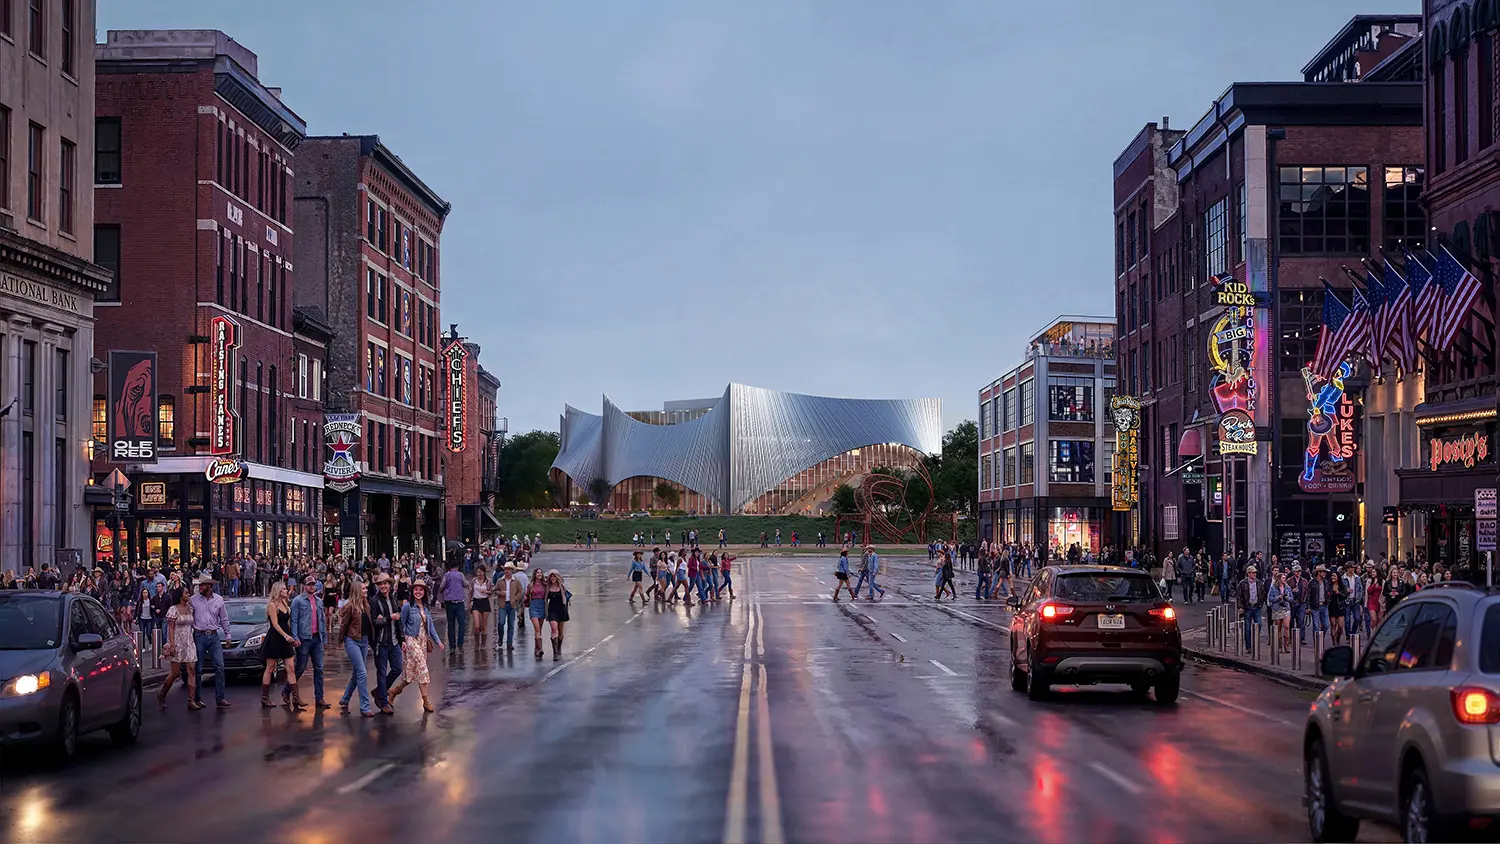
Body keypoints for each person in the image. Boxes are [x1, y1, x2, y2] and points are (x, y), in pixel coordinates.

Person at [389, 580, 443, 713]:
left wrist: (438, 641)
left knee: (412, 673)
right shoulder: (408, 606)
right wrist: (402, 640)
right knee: (423, 669)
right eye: (416, 589)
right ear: (412, 591)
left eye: (421, 590)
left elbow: (430, 627)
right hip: (411, 639)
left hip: (423, 641)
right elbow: (401, 623)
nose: (418, 592)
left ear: (424, 592)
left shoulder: (426, 606)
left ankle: (394, 692)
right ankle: (425, 701)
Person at [189, 574, 232, 709]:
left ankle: (220, 698)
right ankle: (197, 699)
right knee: (198, 668)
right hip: (199, 635)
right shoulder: (193, 600)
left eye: (203, 585)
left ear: (210, 586)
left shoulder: (219, 600)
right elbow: (188, 616)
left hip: (214, 636)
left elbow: (224, 618)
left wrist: (228, 635)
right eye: (199, 585)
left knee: (219, 666)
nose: (200, 587)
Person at [288, 575, 330, 710]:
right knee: (300, 667)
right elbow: (293, 620)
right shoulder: (297, 601)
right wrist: (295, 637)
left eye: (313, 584)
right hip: (304, 638)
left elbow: (322, 620)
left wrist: (324, 638)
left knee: (319, 668)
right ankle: (287, 691)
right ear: (304, 586)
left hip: (317, 638)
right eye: (309, 584)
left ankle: (320, 698)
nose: (312, 586)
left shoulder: (318, 601)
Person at [157, 585, 202, 710]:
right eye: (186, 592)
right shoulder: (173, 609)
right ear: (180, 595)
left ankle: (191, 700)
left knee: (191, 669)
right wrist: (171, 645)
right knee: (175, 673)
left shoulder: (190, 608)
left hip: (189, 641)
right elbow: (170, 628)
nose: (189, 594)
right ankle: (162, 694)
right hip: (177, 641)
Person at [337, 580, 376, 717]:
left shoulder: (366, 605)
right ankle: (365, 706)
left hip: (364, 641)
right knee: (362, 673)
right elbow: (344, 625)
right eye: (364, 588)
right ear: (357, 590)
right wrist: (340, 640)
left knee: (357, 673)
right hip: (352, 640)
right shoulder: (349, 607)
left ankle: (345, 698)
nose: (366, 590)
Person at [259, 582, 297, 708]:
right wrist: (285, 635)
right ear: (278, 591)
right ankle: (265, 697)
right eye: (284, 589)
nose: (287, 590)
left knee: (290, 667)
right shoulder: (272, 605)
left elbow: (287, 623)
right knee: (270, 667)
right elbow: (275, 624)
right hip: (275, 638)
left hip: (285, 639)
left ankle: (296, 697)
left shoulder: (285, 604)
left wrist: (291, 636)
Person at [370, 572, 403, 713]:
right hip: (381, 642)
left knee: (398, 668)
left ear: (389, 585)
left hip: (394, 641)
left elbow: (398, 619)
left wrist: (402, 639)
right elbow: (374, 622)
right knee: (381, 672)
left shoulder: (393, 599)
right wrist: (388, 618)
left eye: (385, 584)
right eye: (380, 584)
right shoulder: (374, 601)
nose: (383, 586)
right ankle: (383, 702)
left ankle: (379, 691)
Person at [1235, 564, 1266, 653]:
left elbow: (1263, 593)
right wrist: (1240, 607)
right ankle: (1248, 646)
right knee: (1247, 628)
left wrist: (1261, 603)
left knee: (1259, 624)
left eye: (1255, 573)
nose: (1254, 574)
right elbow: (1239, 596)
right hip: (1247, 607)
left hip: (1256, 607)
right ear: (1248, 573)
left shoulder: (1259, 582)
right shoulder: (1242, 583)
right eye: (1252, 573)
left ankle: (1255, 642)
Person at [440, 560, 467, 649]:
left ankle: (452, 645)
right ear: (457, 567)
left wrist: (442, 592)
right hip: (459, 602)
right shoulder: (460, 575)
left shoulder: (447, 575)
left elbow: (442, 586)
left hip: (449, 602)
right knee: (462, 624)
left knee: (451, 624)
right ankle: (460, 643)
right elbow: (465, 584)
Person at [545, 570, 571, 660]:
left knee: (560, 630)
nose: (553, 578)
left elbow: (566, 598)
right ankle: (555, 653)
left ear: (557, 577)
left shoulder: (562, 586)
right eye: (551, 576)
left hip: (561, 610)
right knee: (554, 628)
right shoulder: (547, 587)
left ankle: (559, 647)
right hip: (552, 611)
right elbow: (545, 599)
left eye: (554, 576)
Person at [1267, 571, 1293, 652]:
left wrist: (1287, 598)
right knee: (1278, 628)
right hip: (1277, 609)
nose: (1285, 579)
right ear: (1279, 579)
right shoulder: (1273, 588)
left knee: (1286, 627)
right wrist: (1278, 597)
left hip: (1286, 609)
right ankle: (1280, 646)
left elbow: (1292, 599)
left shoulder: (1288, 588)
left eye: (1285, 578)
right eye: (1283, 578)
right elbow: (1270, 599)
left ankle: (1286, 645)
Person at [526, 568, 548, 658]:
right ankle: (541, 648)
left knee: (539, 629)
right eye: (538, 572)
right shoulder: (531, 585)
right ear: (535, 574)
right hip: (533, 606)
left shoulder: (545, 584)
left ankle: (537, 649)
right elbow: (526, 596)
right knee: (537, 628)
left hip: (542, 605)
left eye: (541, 572)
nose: (539, 574)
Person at [470, 563, 492, 651]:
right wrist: (469, 602)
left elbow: (492, 591)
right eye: (477, 572)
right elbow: (470, 591)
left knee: (483, 626)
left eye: (480, 572)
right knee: (476, 626)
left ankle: (483, 644)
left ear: (484, 572)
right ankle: (476, 643)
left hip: (484, 602)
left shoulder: (488, 581)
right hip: (475, 602)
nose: (479, 574)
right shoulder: (473, 581)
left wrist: (486, 591)